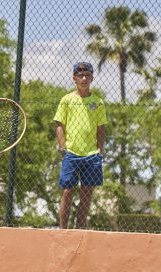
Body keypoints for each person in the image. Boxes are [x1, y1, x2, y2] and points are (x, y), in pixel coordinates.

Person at [53, 62, 107, 229]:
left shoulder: (97, 102)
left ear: (92, 78)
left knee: (86, 194)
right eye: (80, 75)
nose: (84, 78)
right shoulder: (67, 100)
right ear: (74, 78)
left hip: (91, 155)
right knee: (67, 192)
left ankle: (80, 231)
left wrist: (100, 149)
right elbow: (59, 125)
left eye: (87, 75)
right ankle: (63, 230)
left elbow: (101, 127)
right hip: (72, 153)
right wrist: (63, 147)